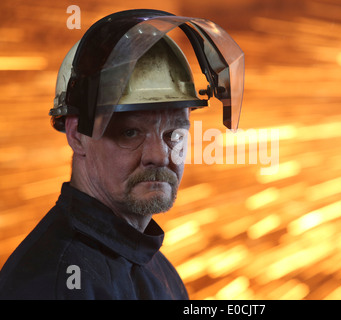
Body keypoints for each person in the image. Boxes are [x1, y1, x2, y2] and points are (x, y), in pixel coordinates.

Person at [0, 9, 244, 299]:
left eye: (174, 134)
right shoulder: (55, 280)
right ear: (77, 136)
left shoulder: (158, 272)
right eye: (130, 132)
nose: (159, 155)